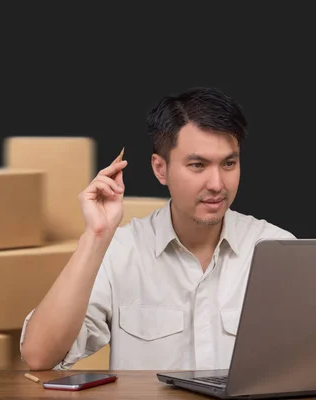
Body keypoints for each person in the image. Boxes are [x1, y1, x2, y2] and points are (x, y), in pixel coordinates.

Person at [19, 87, 295, 371]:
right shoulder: (122, 251)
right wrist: (96, 236)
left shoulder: (276, 249)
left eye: (229, 163)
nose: (216, 183)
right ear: (160, 169)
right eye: (198, 165)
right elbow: (40, 356)